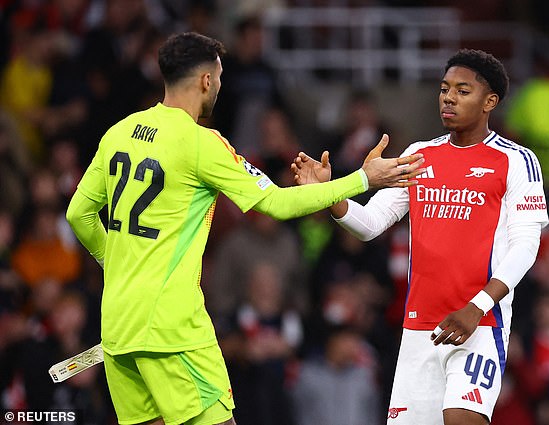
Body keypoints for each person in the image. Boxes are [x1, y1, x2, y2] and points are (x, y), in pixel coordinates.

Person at [64, 31, 424, 425]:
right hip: (171, 327)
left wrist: (115, 263)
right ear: (205, 80)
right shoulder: (201, 144)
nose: (220, 84)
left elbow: (78, 215)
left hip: (117, 323)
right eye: (218, 76)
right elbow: (276, 203)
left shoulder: (119, 132)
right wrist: (362, 179)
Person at [292, 49, 549, 425]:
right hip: (419, 329)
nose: (448, 97)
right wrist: (330, 193)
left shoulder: (516, 160)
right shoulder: (418, 155)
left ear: (489, 101)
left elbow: (526, 246)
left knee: (463, 418)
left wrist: (476, 306)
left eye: (463, 91)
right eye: (445, 89)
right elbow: (371, 223)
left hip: (479, 324)